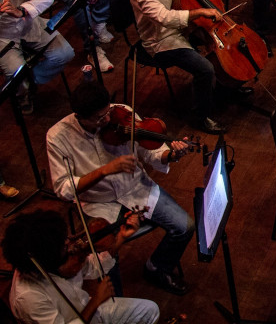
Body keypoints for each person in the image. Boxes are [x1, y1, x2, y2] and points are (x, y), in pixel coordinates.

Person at [47, 80, 196, 295]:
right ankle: (118, 303)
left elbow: (150, 152)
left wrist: (170, 154)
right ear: (80, 117)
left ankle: (157, 268)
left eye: (107, 112)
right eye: (99, 118)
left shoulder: (122, 113)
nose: (107, 119)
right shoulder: (57, 137)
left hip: (137, 189)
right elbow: (63, 188)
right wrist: (104, 170)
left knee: (185, 226)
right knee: (106, 254)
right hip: (98, 203)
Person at [130, 0, 236, 134]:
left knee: (223, 46)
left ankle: (225, 88)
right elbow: (164, 18)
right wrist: (199, 12)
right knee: (205, 68)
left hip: (180, 26)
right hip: (162, 39)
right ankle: (200, 117)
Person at [3, 209, 160, 324]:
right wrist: (96, 300)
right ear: (45, 258)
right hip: (81, 316)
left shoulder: (57, 260)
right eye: (62, 246)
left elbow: (91, 266)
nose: (68, 242)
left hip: (87, 309)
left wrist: (120, 238)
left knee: (150, 310)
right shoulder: (29, 298)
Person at [0, 0, 75, 115]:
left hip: (29, 22)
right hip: (3, 35)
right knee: (15, 71)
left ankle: (29, 82)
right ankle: (22, 95)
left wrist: (21, 10)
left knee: (65, 54)